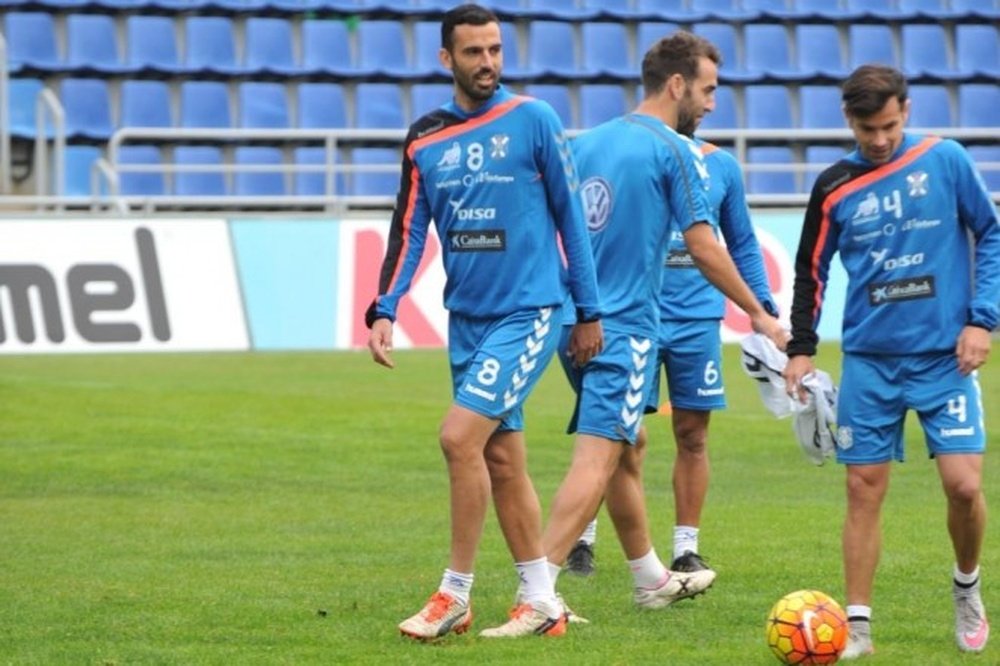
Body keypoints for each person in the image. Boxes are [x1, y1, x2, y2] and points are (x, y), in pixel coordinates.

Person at [505, 30, 786, 611]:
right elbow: (706, 246)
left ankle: (651, 577)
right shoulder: (676, 150)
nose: (712, 104)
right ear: (677, 84)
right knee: (601, 455)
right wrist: (760, 314)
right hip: (626, 328)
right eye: (707, 90)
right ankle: (537, 592)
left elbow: (550, 231)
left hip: (572, 325)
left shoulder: (586, 145)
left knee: (628, 448)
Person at [366, 3, 603, 640]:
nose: (488, 62)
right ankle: (541, 602)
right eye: (474, 52)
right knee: (501, 459)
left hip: (528, 312)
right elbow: (409, 230)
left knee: (457, 438)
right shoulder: (425, 138)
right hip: (466, 319)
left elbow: (570, 220)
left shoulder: (533, 118)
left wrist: (587, 311)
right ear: (447, 59)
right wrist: (386, 307)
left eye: (495, 49)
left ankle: (456, 594)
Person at [782, 64, 999, 659]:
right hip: (871, 363)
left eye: (889, 125)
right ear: (848, 120)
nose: (878, 139)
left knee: (962, 486)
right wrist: (801, 347)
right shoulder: (833, 186)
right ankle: (857, 629)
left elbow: (992, 232)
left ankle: (966, 586)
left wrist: (982, 319)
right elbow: (810, 271)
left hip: (945, 359)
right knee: (863, 487)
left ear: (906, 109)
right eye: (866, 127)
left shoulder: (946, 160)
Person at [564, 81, 779, 581]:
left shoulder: (719, 165)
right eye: (705, 91)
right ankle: (583, 540)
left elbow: (741, 244)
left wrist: (763, 310)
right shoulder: (641, 155)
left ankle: (686, 548)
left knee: (692, 433)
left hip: (695, 318)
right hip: (634, 314)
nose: (708, 105)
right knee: (616, 432)